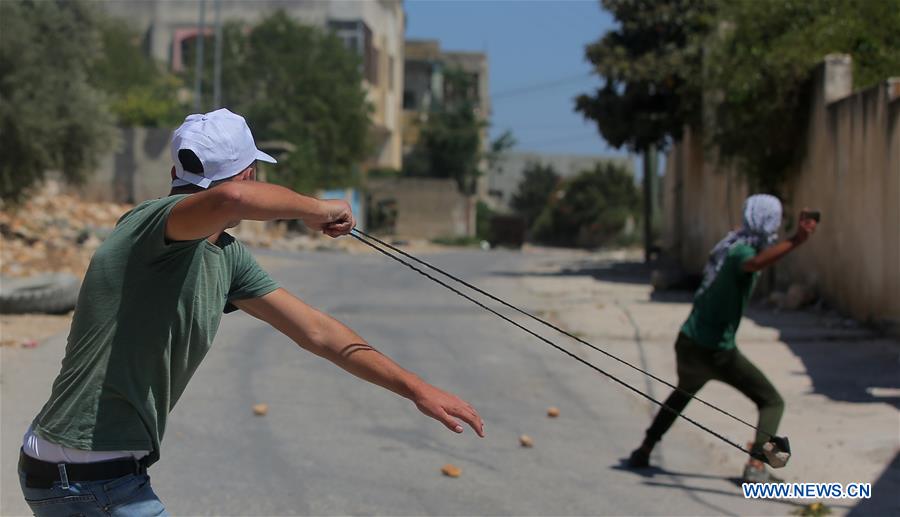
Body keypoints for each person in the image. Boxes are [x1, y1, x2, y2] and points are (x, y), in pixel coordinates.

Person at [18, 109, 484, 516]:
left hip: (93, 471)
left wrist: (416, 388)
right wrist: (317, 208)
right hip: (85, 474)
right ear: (248, 174)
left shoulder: (226, 255)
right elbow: (232, 201)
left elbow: (317, 332)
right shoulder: (151, 223)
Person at [627, 194, 817, 483]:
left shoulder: (732, 246)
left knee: (682, 393)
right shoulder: (743, 254)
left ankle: (644, 448)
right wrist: (797, 240)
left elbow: (754, 259)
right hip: (715, 350)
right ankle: (756, 466)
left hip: (688, 342)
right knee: (772, 401)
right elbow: (754, 263)